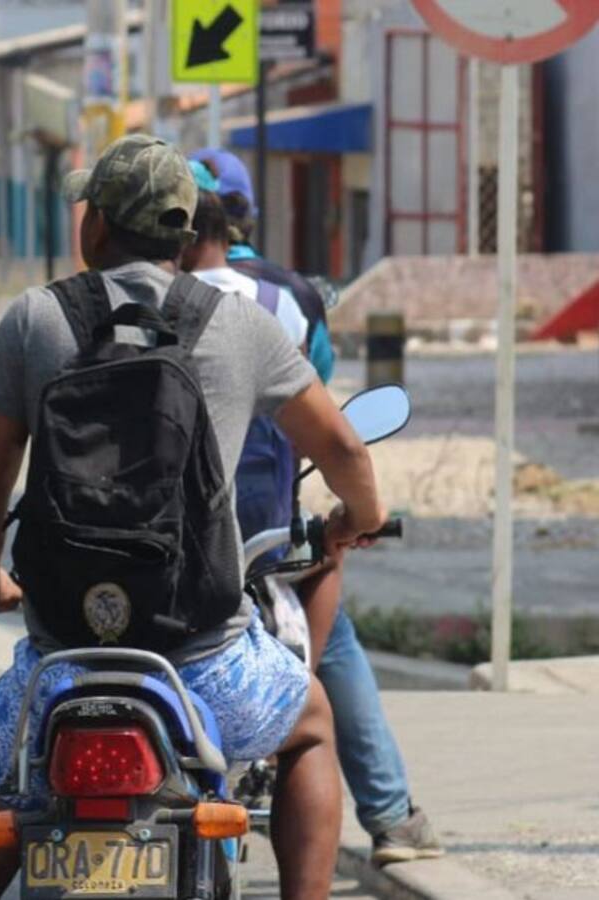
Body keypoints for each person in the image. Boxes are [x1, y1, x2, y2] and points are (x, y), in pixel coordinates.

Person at [0, 134, 390, 900]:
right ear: (183, 234)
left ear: (98, 228)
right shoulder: (240, 327)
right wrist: (356, 519)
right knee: (310, 722)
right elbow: (344, 446)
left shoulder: (33, 320)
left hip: (62, 660)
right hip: (205, 660)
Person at [191, 148, 443, 864]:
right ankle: (392, 816)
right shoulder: (290, 297)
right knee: (326, 652)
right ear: (242, 216)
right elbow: (322, 412)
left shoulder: (138, 293)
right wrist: (351, 517)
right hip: (263, 537)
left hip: (146, 545)